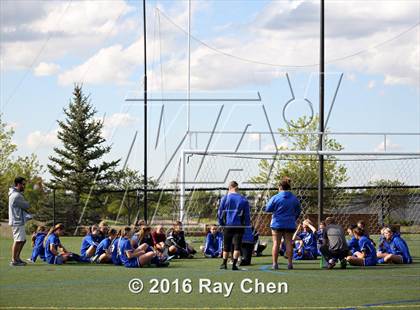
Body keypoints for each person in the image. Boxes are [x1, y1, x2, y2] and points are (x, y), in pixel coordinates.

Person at [264, 177, 301, 270]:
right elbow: (298, 211)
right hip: (290, 223)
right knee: (289, 243)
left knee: (276, 243)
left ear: (280, 187)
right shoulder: (294, 198)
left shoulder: (275, 197)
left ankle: (275, 264)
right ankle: (290, 263)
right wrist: (293, 218)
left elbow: (268, 209)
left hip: (277, 223)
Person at [218, 181, 251, 271]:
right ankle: (234, 265)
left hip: (228, 225)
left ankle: (224, 264)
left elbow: (220, 212)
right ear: (237, 188)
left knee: (226, 245)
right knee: (237, 246)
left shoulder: (225, 198)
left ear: (229, 187)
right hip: (239, 226)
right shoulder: (243, 199)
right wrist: (247, 225)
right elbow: (247, 215)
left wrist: (221, 223)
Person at [8, 177, 32, 266]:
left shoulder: (16, 194)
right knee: (18, 240)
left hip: (18, 221)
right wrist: (27, 202)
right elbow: (26, 205)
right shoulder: (16, 195)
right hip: (17, 221)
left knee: (23, 240)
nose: (24, 186)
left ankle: (17, 258)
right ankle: (14, 260)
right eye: (23, 184)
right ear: (18, 184)